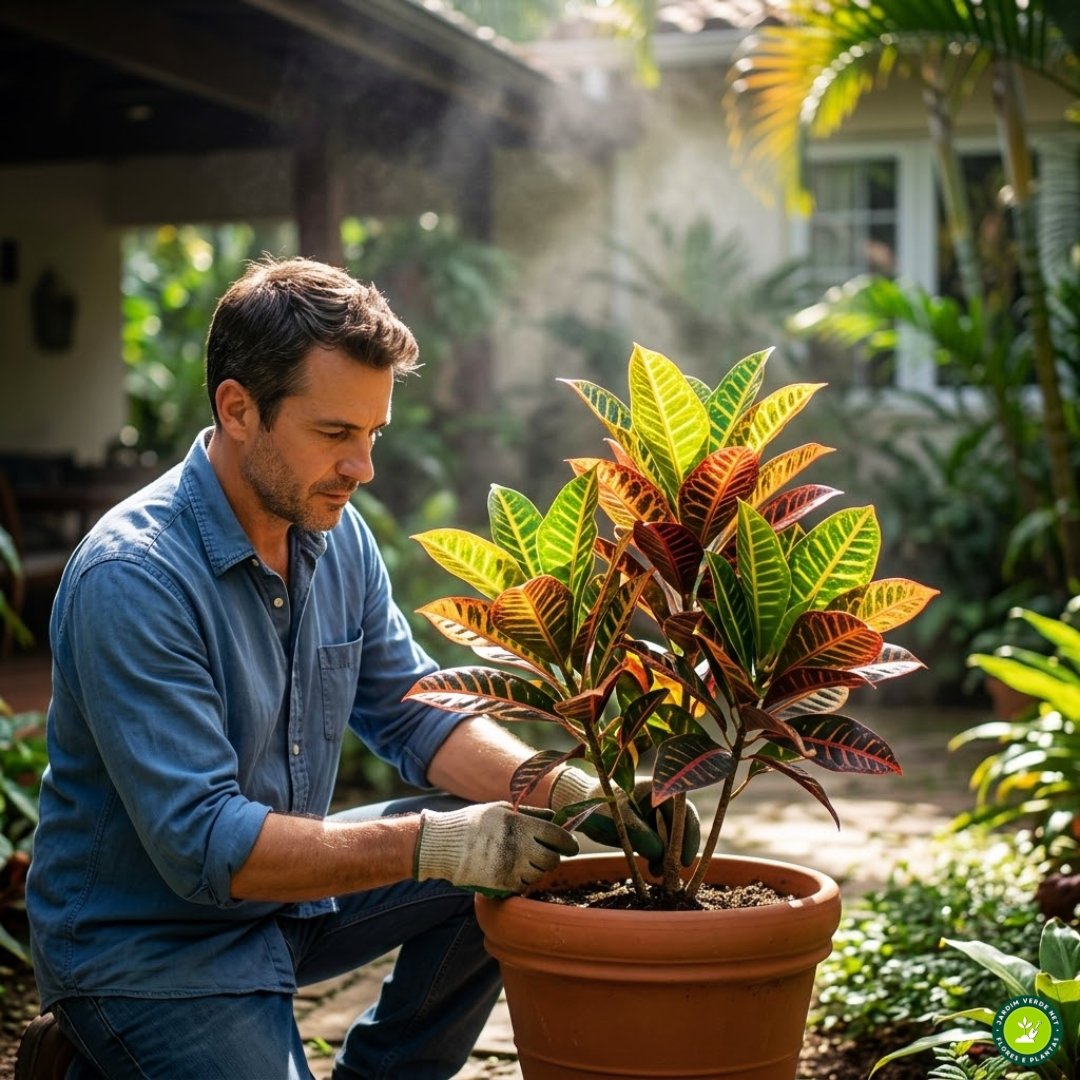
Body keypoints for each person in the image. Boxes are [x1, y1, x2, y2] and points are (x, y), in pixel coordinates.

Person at [18, 257, 690, 1080]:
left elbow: (413, 712)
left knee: (518, 858)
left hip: (283, 903)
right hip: (150, 947)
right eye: (335, 434)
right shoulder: (134, 577)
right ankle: (88, 1049)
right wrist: (434, 845)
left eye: (373, 434)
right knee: (453, 842)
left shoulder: (334, 536)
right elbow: (206, 846)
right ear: (238, 409)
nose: (362, 467)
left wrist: (569, 792)